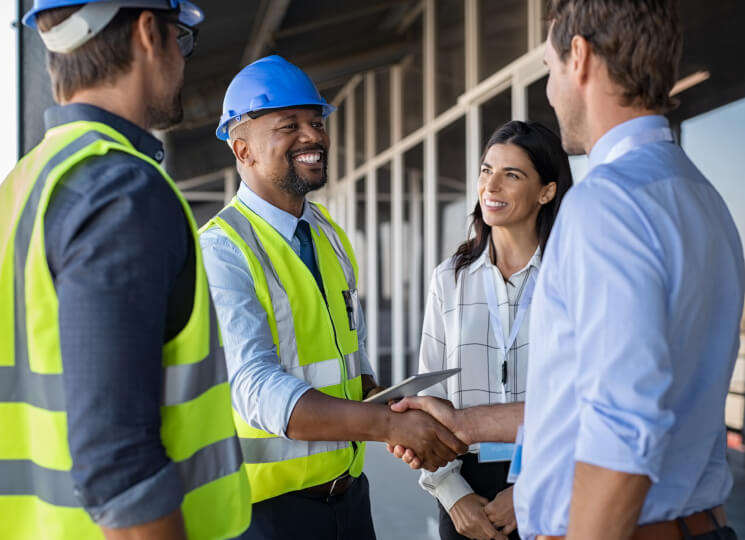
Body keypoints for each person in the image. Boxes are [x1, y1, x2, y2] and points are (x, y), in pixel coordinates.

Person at [394, 1, 744, 539]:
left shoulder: (606, 204)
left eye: (549, 67)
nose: (551, 89)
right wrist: (463, 425)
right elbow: (586, 400)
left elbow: (621, 428)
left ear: (577, 57)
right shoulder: (702, 197)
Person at [0, 2, 253, 539]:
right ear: (146, 32)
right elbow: (119, 469)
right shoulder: (120, 192)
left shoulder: (21, 187)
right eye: (180, 40)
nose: (182, 64)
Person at [199, 55, 467, 540]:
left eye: (316, 122)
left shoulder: (327, 234)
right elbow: (255, 388)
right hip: (266, 517)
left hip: (349, 499)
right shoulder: (222, 249)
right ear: (243, 149)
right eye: (289, 125)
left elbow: (351, 355)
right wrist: (386, 428)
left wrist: (388, 406)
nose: (313, 136)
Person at [416, 120, 572, 540]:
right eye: (487, 170)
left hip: (553, 481)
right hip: (465, 486)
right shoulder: (449, 277)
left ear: (547, 191)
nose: (491, 185)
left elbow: (584, 398)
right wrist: (452, 495)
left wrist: (530, 491)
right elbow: (429, 395)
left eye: (511, 174)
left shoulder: (571, 277)